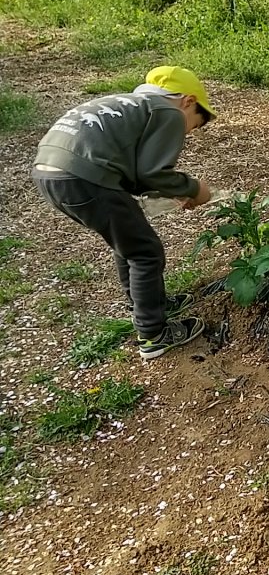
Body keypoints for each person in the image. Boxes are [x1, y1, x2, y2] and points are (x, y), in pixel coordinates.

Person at [31, 65, 214, 360]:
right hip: (83, 176)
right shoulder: (168, 112)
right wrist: (194, 188)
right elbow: (152, 173)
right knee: (145, 251)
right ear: (188, 101)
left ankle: (147, 304)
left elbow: (136, 177)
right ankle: (153, 335)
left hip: (50, 171)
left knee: (128, 240)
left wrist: (171, 190)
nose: (189, 131)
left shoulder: (132, 104)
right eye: (195, 124)